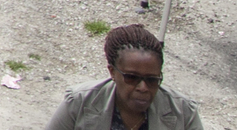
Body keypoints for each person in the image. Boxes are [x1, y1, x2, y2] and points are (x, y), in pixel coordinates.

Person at [43, 24, 205, 130]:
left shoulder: (183, 113)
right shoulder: (79, 103)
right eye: (132, 78)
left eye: (152, 80)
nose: (143, 88)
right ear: (112, 72)